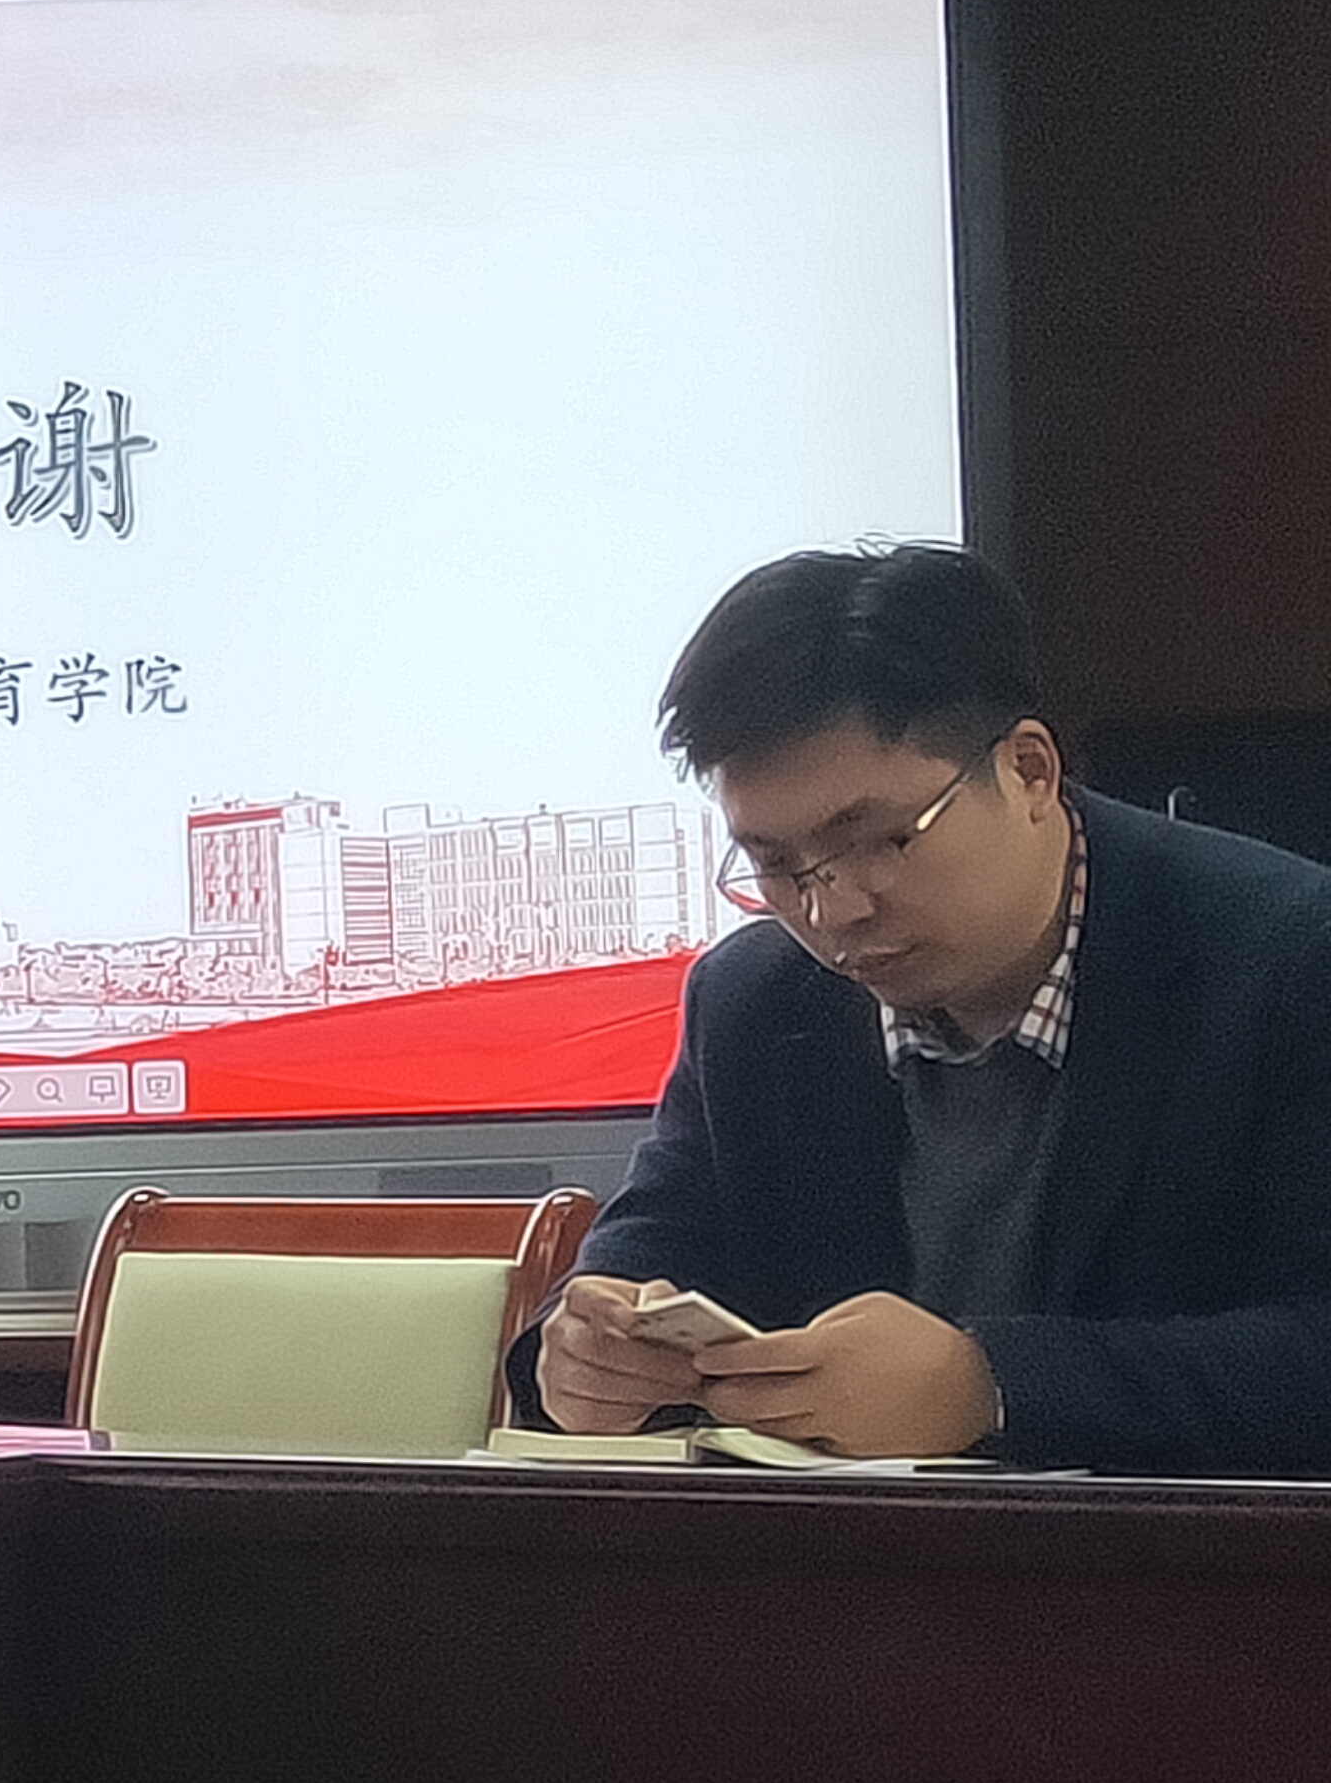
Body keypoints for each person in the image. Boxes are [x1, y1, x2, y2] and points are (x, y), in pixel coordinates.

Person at [530, 542, 1331, 1474]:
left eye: (875, 842)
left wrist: (990, 1386)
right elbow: (644, 1256)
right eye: (777, 867)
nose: (831, 911)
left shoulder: (1289, 960)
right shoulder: (753, 1000)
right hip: (846, 1557)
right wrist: (584, 1353)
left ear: (1029, 772)